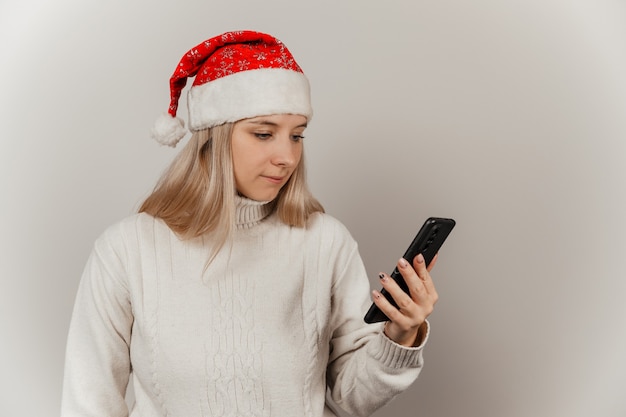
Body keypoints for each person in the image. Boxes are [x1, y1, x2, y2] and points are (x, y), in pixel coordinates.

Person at [61, 30, 440, 417]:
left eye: (296, 136)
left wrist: (399, 335)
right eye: (263, 133)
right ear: (213, 136)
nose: (287, 157)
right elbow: (89, 401)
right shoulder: (127, 249)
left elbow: (351, 399)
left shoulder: (326, 241)